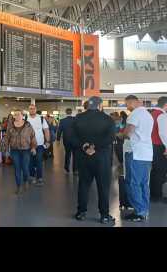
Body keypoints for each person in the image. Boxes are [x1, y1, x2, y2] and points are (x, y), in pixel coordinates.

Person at [71, 96, 116, 225]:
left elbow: (71, 137)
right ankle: (104, 215)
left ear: (88, 105)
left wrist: (85, 147)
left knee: (84, 185)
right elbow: (110, 138)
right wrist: (95, 147)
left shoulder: (78, 118)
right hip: (101, 158)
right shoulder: (107, 119)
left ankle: (81, 212)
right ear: (100, 105)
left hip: (84, 157)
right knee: (103, 186)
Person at [122, 95, 154, 222]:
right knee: (143, 183)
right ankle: (144, 209)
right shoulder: (148, 115)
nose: (127, 107)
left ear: (132, 102)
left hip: (136, 153)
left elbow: (128, 132)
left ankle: (139, 211)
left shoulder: (135, 114)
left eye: (127, 104)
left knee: (132, 183)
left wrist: (120, 134)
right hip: (146, 153)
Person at [0, 108, 37, 194]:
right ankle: (19, 186)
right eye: (15, 114)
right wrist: (5, 148)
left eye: (18, 114)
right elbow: (7, 137)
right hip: (15, 150)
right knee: (17, 168)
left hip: (26, 149)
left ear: (22, 115)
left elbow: (33, 137)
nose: (17, 116)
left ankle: (26, 180)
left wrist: (33, 147)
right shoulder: (11, 125)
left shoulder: (28, 125)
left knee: (25, 167)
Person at [148, 96, 167, 203]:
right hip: (159, 146)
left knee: (155, 171)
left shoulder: (152, 114)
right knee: (160, 171)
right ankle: (157, 195)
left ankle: (154, 194)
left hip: (152, 146)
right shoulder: (162, 115)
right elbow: (163, 133)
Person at [26, 104, 50, 186]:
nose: (32, 110)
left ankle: (39, 178)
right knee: (30, 161)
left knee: (39, 160)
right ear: (28, 110)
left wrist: (47, 141)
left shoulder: (41, 118)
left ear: (36, 109)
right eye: (30, 109)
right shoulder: (25, 118)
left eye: (33, 109)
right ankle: (32, 176)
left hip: (39, 144)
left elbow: (46, 130)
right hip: (28, 145)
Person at [56, 108, 77, 174]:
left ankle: (67, 169)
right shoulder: (75, 120)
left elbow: (59, 131)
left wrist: (58, 140)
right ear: (71, 112)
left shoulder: (62, 121)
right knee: (75, 155)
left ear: (66, 112)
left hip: (66, 140)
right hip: (75, 140)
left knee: (67, 154)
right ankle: (75, 170)